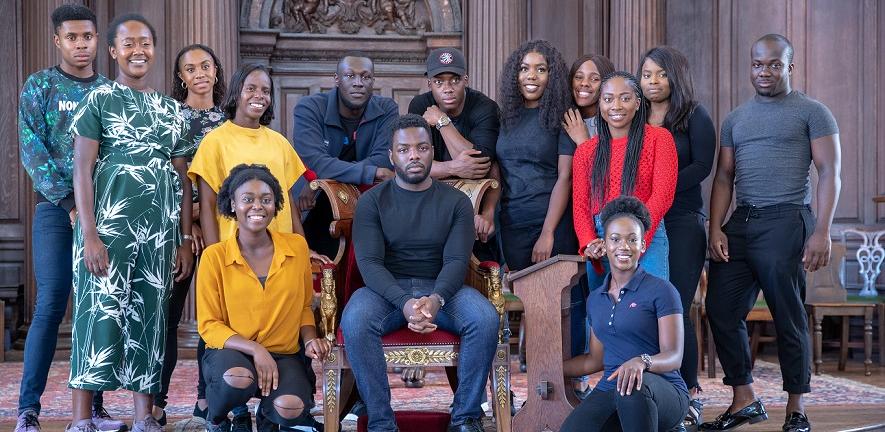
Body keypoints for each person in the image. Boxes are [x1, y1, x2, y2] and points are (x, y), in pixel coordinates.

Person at [700, 34, 841, 432]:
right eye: (758, 64)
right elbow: (724, 176)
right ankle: (744, 399)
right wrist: (716, 228)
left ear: (789, 67)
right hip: (742, 222)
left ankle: (797, 408)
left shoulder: (812, 112)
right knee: (721, 309)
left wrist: (822, 231)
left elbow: (829, 171)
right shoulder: (736, 118)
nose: (764, 71)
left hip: (787, 218)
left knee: (787, 314)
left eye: (774, 64)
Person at [68, 13, 194, 432]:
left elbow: (183, 180)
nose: (138, 51)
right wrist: (89, 234)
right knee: (97, 312)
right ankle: (81, 419)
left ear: (154, 50)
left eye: (145, 43)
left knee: (150, 317)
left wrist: (183, 238)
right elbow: (81, 169)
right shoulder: (98, 99)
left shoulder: (173, 111)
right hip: (108, 228)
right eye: (128, 44)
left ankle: (143, 417)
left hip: (159, 232)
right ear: (113, 51)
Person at [341, 114, 498, 432]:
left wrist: (436, 299)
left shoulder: (456, 202)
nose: (413, 155)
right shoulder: (371, 202)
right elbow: (370, 264)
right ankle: (381, 422)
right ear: (392, 156)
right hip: (386, 291)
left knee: (484, 318)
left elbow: (456, 261)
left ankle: (465, 418)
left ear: (432, 152)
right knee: (355, 319)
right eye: (404, 149)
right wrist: (404, 303)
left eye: (422, 148)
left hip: (443, 288)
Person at [15, 5, 124, 432]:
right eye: (73, 37)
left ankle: (94, 407)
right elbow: (33, 150)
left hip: (101, 213)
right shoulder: (40, 85)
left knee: (97, 305)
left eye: (88, 37)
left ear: (98, 41)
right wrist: (69, 205)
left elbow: (115, 154)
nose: (81, 45)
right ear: (57, 41)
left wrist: (96, 209)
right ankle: (28, 410)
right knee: (51, 301)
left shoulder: (110, 91)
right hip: (54, 212)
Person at [197, 164, 331, 432]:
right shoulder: (214, 256)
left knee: (290, 408)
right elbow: (209, 325)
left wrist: (309, 340)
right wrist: (256, 350)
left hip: (284, 353)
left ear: (275, 205)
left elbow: (304, 307)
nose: (257, 206)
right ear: (233, 204)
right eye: (248, 199)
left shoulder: (297, 247)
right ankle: (217, 416)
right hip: (232, 352)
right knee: (236, 380)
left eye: (266, 200)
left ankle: (268, 417)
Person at [153, 43, 232, 430]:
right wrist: (191, 225)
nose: (199, 73)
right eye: (190, 68)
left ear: (216, 71)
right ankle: (156, 402)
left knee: (217, 316)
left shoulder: (230, 119)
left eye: (205, 66)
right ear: (180, 77)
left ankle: (207, 397)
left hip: (225, 227)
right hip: (177, 229)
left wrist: (208, 218)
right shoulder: (168, 116)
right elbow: (167, 176)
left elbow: (235, 179)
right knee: (167, 316)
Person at [638, 45, 716, 429]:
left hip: (682, 220)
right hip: (643, 224)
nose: (653, 81)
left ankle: (690, 394)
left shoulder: (693, 115)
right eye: (646, 74)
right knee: (646, 309)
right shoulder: (635, 114)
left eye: (661, 74)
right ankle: (654, 390)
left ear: (675, 77)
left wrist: (662, 188)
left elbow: (703, 165)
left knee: (676, 308)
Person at [561, 196, 688, 432]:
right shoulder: (595, 299)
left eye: (632, 239)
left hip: (662, 390)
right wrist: (553, 368)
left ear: (643, 245)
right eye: (615, 239)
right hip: (611, 388)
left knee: (632, 388)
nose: (624, 246)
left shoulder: (662, 291)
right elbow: (595, 360)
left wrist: (642, 362)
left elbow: (674, 356)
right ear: (604, 245)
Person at [292, 51, 399, 258]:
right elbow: (314, 161)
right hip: (312, 205)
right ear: (337, 79)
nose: (358, 83)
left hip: (364, 205)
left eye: (365, 77)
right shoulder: (310, 107)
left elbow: (384, 159)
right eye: (350, 76)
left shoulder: (386, 109)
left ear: (373, 81)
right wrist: (372, 172)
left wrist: (322, 178)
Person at [572, 71, 677, 282]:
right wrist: (589, 242)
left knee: (649, 300)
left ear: (637, 103)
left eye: (625, 98)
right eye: (608, 99)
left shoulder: (660, 139)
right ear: (600, 105)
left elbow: (663, 196)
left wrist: (635, 235)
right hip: (603, 239)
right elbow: (581, 206)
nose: (616, 106)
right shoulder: (585, 152)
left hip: (647, 232)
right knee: (606, 302)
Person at [407, 47, 501, 252]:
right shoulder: (420, 105)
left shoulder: (485, 107)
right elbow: (412, 164)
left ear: (466, 80)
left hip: (477, 204)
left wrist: (442, 122)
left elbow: (481, 165)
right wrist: (452, 167)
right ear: (429, 84)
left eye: (455, 80)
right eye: (439, 82)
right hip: (431, 201)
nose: (447, 88)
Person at [562, 53, 616, 144]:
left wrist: (582, 140)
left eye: (594, 79)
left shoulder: (614, 124)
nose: (584, 83)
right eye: (579, 77)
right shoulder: (561, 119)